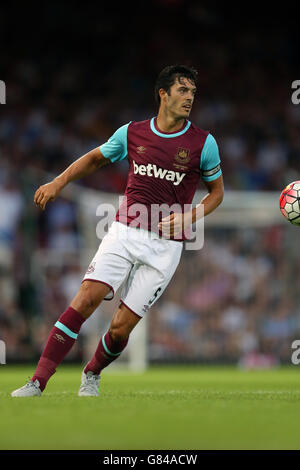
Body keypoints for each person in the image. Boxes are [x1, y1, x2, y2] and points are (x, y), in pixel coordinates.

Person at [11, 65, 224, 397]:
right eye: (183, 90)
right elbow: (95, 158)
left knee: (121, 328)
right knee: (85, 300)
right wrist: (59, 181)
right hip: (125, 231)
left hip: (166, 247)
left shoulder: (203, 143)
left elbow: (217, 193)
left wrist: (190, 217)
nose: (189, 98)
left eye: (193, 92)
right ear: (163, 94)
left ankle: (92, 373)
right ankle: (37, 381)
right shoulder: (132, 133)